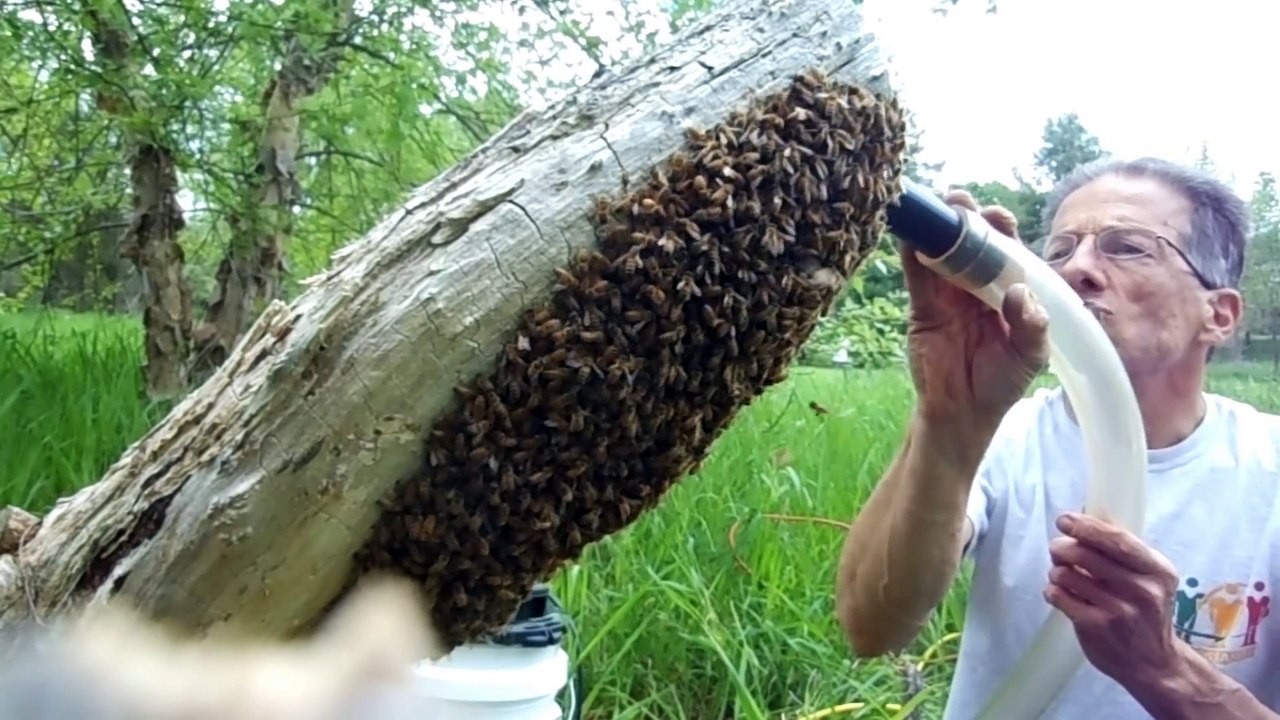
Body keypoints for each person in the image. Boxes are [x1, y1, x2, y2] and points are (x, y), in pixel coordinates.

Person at [835, 156, 1280, 719]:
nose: (1078, 270)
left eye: (1127, 248)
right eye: (1060, 251)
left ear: (1218, 314)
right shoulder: (1007, 435)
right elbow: (871, 627)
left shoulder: (1269, 469)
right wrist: (949, 419)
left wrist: (1164, 667)